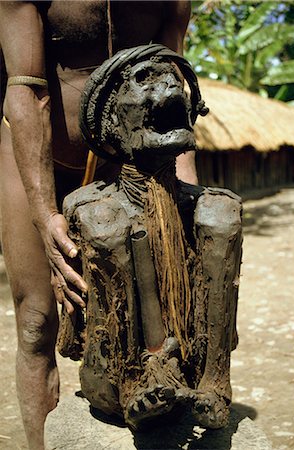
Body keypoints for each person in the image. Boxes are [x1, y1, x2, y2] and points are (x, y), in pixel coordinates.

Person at [0, 1, 198, 448]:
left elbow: (174, 95)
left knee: (156, 315)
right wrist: (45, 212)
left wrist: (186, 198)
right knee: (37, 322)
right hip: (34, 157)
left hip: (130, 162)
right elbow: (26, 90)